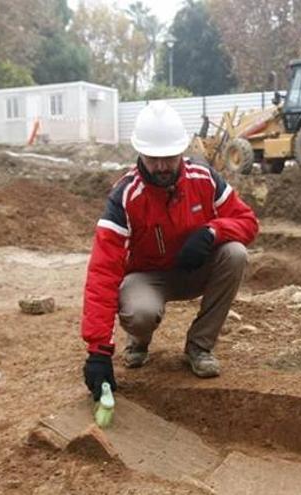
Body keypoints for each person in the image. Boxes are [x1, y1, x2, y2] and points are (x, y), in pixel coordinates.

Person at [81, 101, 259, 401]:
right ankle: (138, 340)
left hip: (193, 270)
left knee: (235, 253)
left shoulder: (204, 179)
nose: (162, 166)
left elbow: (248, 222)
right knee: (140, 313)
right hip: (147, 279)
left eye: (169, 158)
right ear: (140, 152)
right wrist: (98, 350)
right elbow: (103, 270)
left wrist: (213, 232)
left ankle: (199, 347)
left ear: (182, 151)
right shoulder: (124, 196)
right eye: (153, 159)